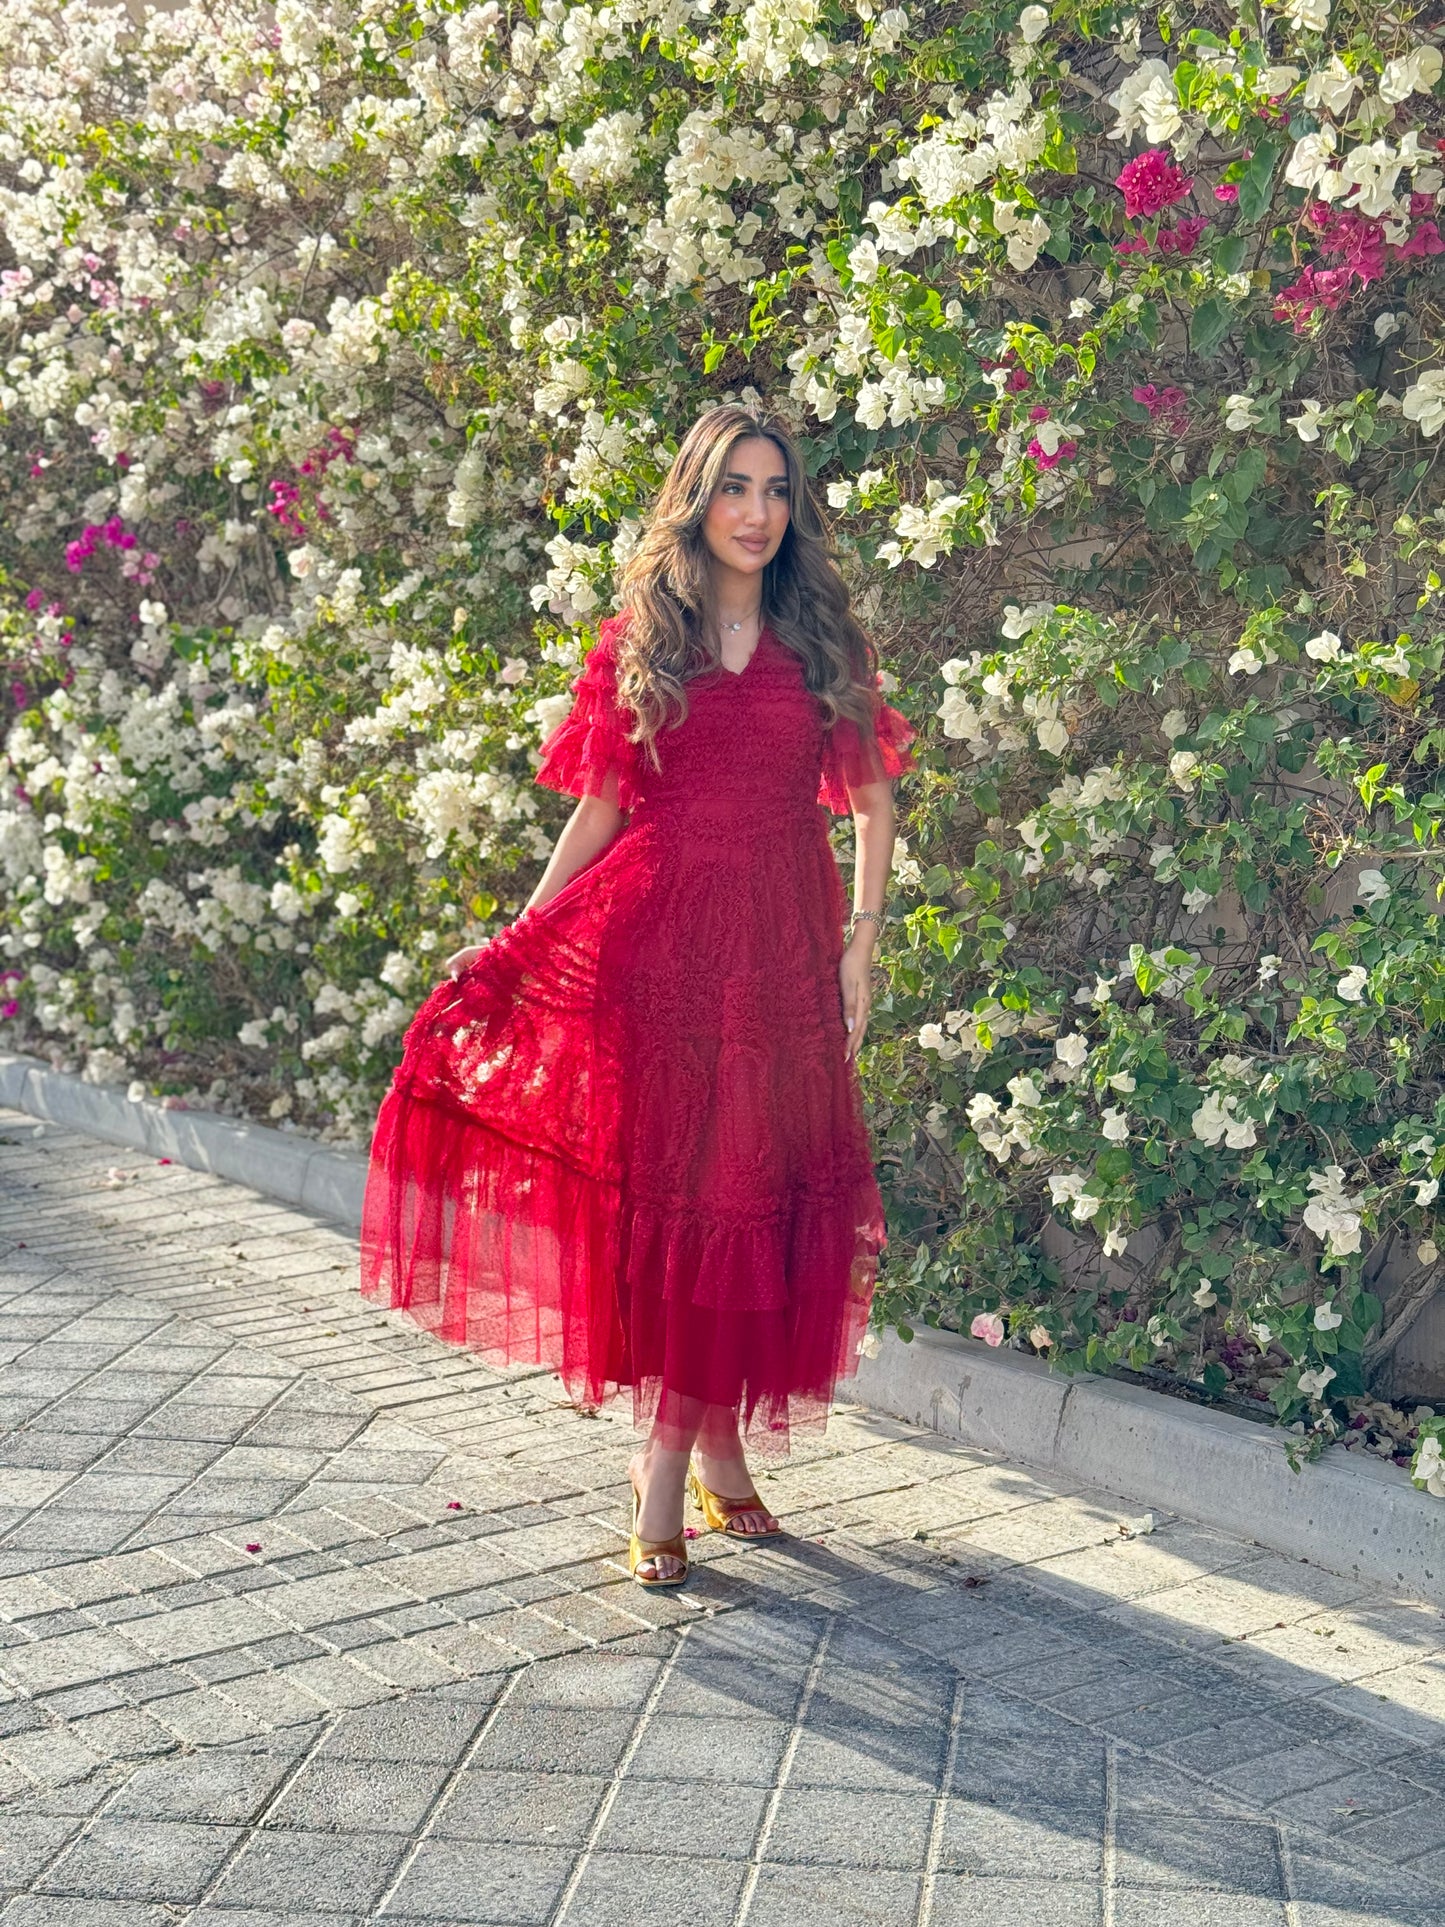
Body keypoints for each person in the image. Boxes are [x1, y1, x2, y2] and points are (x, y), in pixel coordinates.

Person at [359, 401, 916, 1586]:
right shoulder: (640, 648)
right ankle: (675, 1463)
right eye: (735, 489)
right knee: (684, 1199)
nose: (758, 513)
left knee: (748, 1197)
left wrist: (860, 944)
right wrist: (519, 937)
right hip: (656, 951)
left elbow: (869, 803)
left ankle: (708, 1449)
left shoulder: (822, 645)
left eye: (775, 490)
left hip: (777, 953)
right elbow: (600, 809)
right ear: (696, 499)